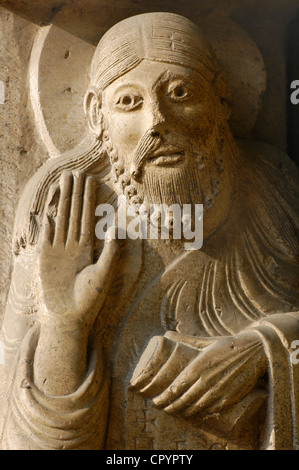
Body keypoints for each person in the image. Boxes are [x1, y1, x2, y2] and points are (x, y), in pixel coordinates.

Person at [0, 12, 298, 450]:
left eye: (180, 92)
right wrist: (64, 325)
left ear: (221, 98)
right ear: (95, 115)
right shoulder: (62, 213)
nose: (158, 119)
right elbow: (19, 439)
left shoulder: (274, 187)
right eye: (128, 101)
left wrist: (261, 348)